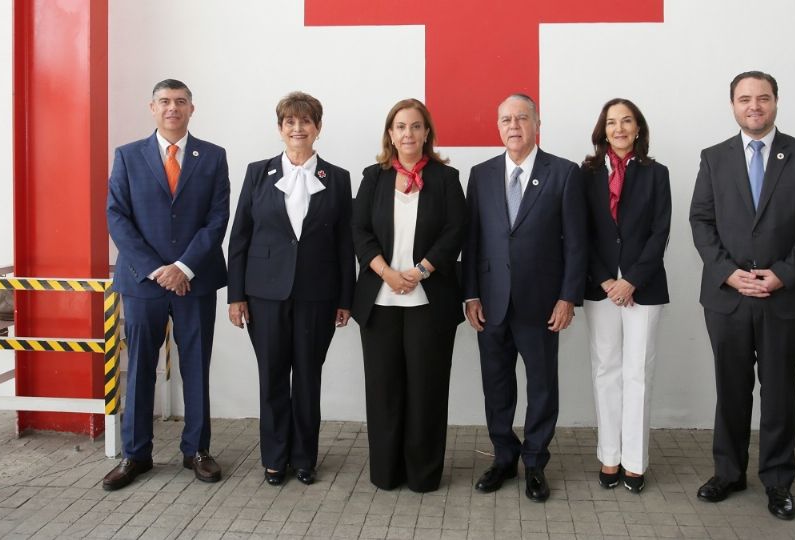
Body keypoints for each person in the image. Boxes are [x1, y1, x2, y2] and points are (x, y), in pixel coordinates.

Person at [689, 71, 795, 520]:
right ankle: (728, 473)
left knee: (778, 394)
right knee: (731, 391)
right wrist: (730, 273)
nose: (754, 106)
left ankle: (777, 481)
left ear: (776, 102)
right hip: (728, 298)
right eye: (745, 98)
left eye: (763, 98)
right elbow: (701, 221)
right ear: (732, 104)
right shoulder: (714, 158)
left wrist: (783, 274)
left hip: (785, 299)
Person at [104, 79, 229, 490]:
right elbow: (117, 217)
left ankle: (197, 450)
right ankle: (135, 454)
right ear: (151, 107)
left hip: (194, 281)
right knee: (140, 367)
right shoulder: (127, 156)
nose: (172, 108)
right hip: (143, 282)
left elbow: (217, 218)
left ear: (192, 108)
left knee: (196, 365)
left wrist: (184, 267)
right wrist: (157, 269)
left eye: (180, 101)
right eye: (164, 101)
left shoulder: (212, 156)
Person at [226, 91, 354, 486]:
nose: (298, 128)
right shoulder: (256, 172)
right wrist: (235, 296)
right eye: (290, 122)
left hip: (318, 295)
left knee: (308, 380)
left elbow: (345, 244)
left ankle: (304, 457)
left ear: (318, 127)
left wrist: (345, 299)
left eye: (306, 121)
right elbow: (240, 239)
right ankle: (274, 457)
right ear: (280, 128)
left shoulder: (337, 178)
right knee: (273, 378)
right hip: (264, 296)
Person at [463, 94, 586, 502]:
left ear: (537, 124)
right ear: (498, 127)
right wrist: (471, 295)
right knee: (496, 386)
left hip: (541, 304)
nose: (513, 126)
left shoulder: (564, 173)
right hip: (492, 303)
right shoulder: (480, 175)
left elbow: (576, 244)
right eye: (505, 120)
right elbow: (473, 240)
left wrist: (568, 297)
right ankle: (503, 457)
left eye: (521, 118)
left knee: (542, 387)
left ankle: (535, 462)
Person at [351, 98, 466, 492]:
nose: (408, 134)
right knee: (384, 393)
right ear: (390, 133)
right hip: (380, 301)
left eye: (416, 126)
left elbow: (456, 231)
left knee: (426, 393)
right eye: (400, 126)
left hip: (428, 302)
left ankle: (423, 475)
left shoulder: (447, 179)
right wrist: (386, 272)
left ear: (427, 133)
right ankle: (386, 473)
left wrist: (419, 272)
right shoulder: (373, 176)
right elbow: (359, 231)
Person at [582, 98, 671, 494]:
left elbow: (660, 231)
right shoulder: (585, 175)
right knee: (606, 370)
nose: (619, 129)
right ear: (603, 130)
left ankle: (635, 462)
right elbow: (578, 233)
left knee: (638, 373)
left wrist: (631, 279)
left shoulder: (657, 173)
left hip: (643, 288)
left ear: (638, 128)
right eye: (612, 122)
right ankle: (610, 457)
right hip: (600, 289)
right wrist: (605, 279)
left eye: (627, 121)